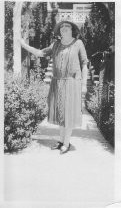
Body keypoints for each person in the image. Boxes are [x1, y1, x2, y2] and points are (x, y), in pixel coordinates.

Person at [20, 20, 88, 154]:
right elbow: (40, 53)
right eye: (61, 27)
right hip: (57, 83)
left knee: (68, 114)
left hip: (72, 83)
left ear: (72, 29)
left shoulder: (78, 43)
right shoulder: (56, 45)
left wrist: (84, 84)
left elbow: (84, 64)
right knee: (61, 114)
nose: (64, 28)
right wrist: (23, 44)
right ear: (59, 31)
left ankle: (66, 143)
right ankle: (62, 141)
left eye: (67, 26)